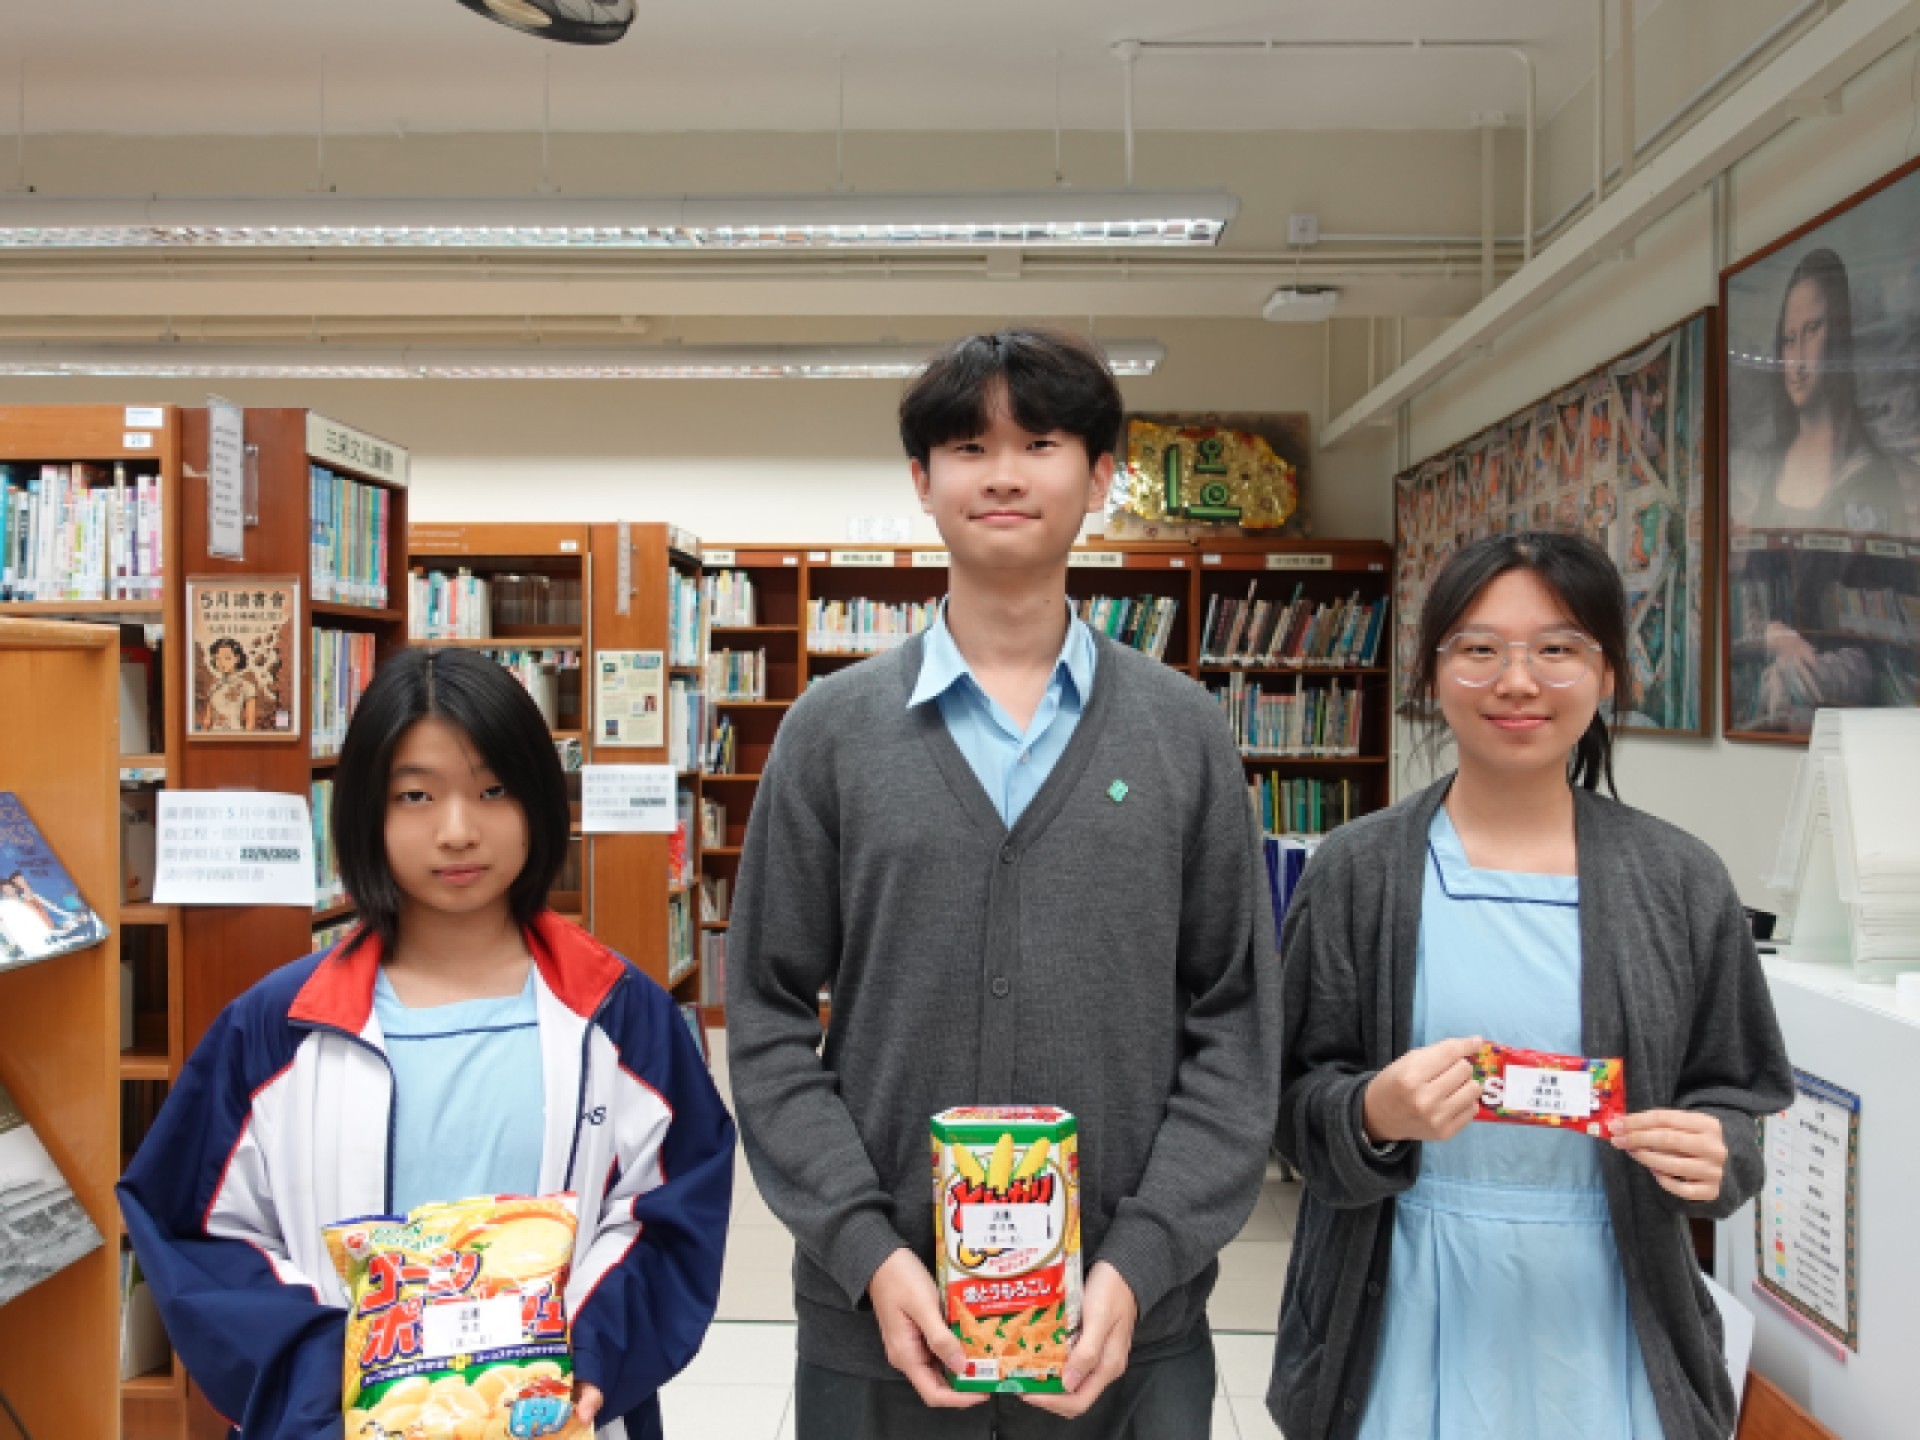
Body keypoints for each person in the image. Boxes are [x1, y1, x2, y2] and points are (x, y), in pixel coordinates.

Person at [727, 327, 1280, 1439]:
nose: (1005, 474)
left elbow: (1237, 1024)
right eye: (969, 448)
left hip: (1125, 1325)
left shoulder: (1182, 733)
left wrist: (1143, 1258)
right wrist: (867, 1249)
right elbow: (767, 1017)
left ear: (1102, 477)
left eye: (1041, 443)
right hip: (880, 1320)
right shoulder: (831, 733)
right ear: (922, 480)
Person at [119, 648, 734, 1440]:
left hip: (550, 1418)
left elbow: (670, 1214)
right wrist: (331, 1385)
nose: (457, 831)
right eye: (416, 795)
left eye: (492, 790)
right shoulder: (275, 1029)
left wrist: (587, 1357)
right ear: (366, 812)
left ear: (539, 803)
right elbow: (197, 1232)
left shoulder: (621, 1015)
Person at [1268, 531, 1793, 1440]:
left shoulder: (1681, 880)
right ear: (1433, 675)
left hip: (1609, 1311)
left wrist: (1720, 1154)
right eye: (1480, 649)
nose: (1517, 682)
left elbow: (1738, 1096)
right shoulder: (1357, 872)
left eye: (1557, 649)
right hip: (1404, 1299)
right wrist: (1372, 1113)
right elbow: (1286, 1102)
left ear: (1609, 673)